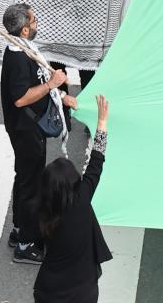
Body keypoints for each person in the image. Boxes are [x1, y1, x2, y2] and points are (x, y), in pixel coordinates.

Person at [0, 2, 74, 266]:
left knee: (25, 179)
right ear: (25, 30)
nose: (37, 22)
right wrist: (53, 84)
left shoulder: (23, 49)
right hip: (26, 129)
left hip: (27, 127)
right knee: (31, 184)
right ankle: (26, 244)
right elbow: (21, 98)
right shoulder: (19, 57)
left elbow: (38, 84)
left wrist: (60, 95)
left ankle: (20, 228)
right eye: (33, 20)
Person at [34, 94, 113, 302]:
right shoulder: (82, 197)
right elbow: (96, 161)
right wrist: (102, 122)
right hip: (82, 290)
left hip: (48, 290)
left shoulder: (43, 211)